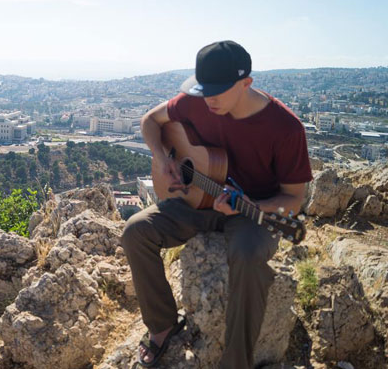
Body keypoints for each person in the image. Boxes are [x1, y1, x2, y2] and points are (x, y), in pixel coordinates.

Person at [121, 40, 312, 368]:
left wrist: (252, 205)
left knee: (249, 256)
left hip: (252, 212)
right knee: (135, 231)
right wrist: (162, 157)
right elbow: (151, 121)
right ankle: (162, 326)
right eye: (203, 90)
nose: (208, 99)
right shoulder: (197, 102)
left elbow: (294, 198)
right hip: (196, 201)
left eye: (218, 91)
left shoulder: (285, 128)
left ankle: (236, 361)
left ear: (246, 83)